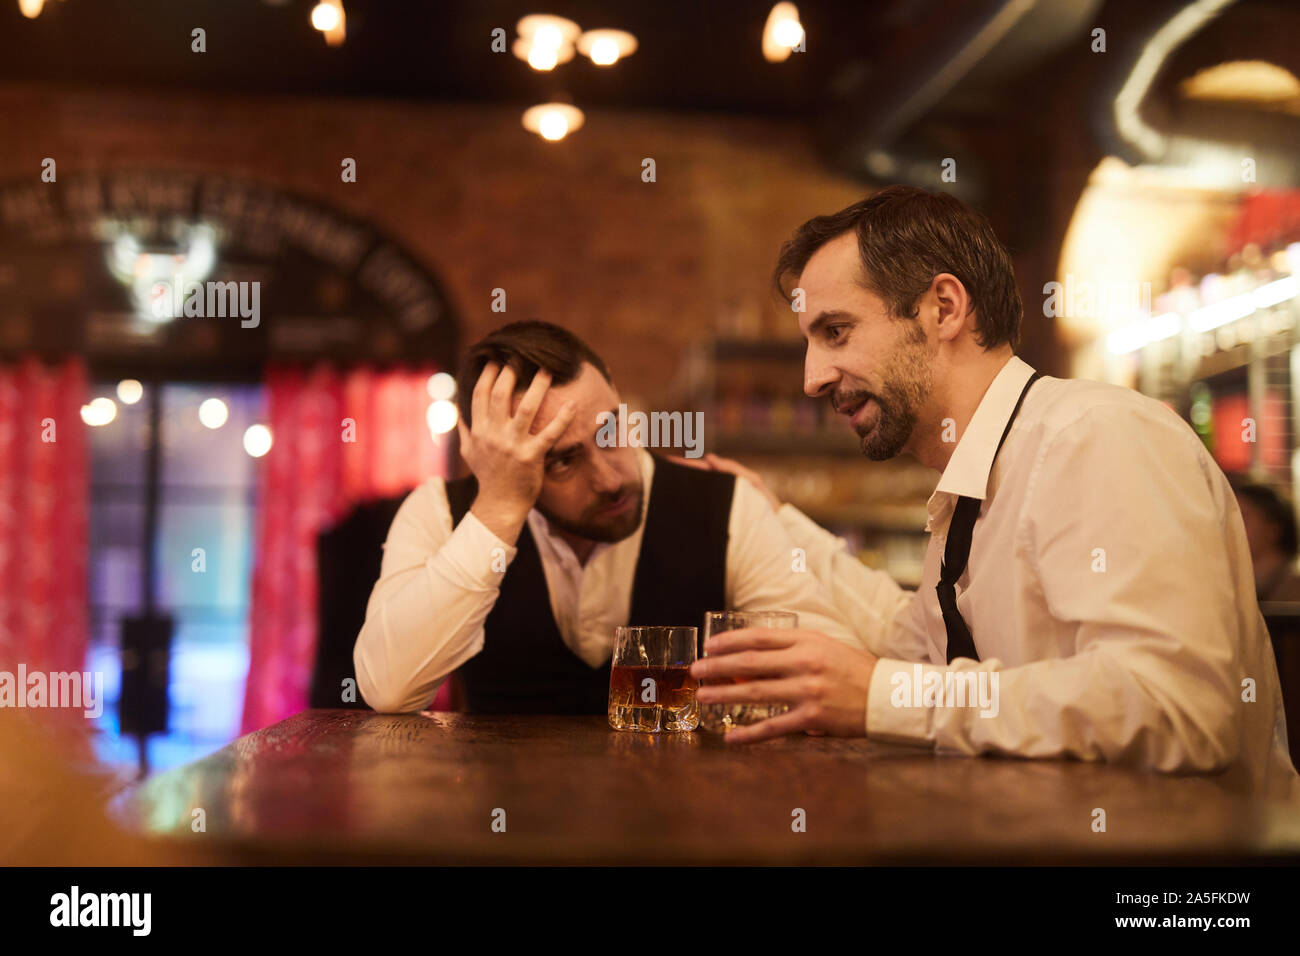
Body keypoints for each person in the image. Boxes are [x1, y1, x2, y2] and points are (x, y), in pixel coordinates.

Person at [689, 185, 1299, 800]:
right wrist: (777, 521)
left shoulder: (1095, 435)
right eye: (810, 343)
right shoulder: (977, 481)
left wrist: (886, 696)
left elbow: (1179, 709)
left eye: (837, 331)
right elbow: (911, 642)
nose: (812, 379)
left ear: (944, 308)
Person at [353, 320, 857, 715]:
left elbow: (825, 665)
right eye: (563, 460)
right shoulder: (442, 512)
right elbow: (389, 688)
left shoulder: (726, 505)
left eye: (612, 430)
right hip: (499, 831)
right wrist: (498, 511)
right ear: (496, 456)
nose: (610, 478)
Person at [1233, 481, 1300, 602]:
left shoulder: (1294, 589)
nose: (1231, 526)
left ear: (1273, 528)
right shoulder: (1233, 585)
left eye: (1243, 517)